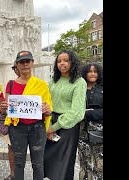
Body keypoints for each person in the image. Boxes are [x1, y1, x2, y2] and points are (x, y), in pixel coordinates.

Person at [0, 51, 52, 180]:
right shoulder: (11, 84)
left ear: (32, 63)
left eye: (27, 61)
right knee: (18, 162)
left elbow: (49, 110)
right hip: (17, 128)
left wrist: (47, 111)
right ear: (16, 65)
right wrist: (4, 107)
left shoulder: (42, 85)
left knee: (38, 163)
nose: (25, 64)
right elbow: (6, 109)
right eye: (21, 62)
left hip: (38, 128)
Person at [44, 50, 87, 180]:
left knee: (63, 164)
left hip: (68, 127)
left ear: (72, 62)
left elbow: (77, 112)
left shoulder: (79, 83)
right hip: (50, 121)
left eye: (66, 60)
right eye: (59, 61)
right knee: (49, 160)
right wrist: (49, 124)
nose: (62, 63)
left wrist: (54, 127)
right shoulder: (53, 81)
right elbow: (47, 102)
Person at [78, 63, 103, 180]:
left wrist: (89, 113)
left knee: (100, 164)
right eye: (89, 71)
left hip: (99, 132)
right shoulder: (79, 88)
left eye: (95, 71)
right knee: (85, 163)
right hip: (82, 132)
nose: (92, 74)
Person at [2, 63, 20, 180]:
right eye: (14, 68)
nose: (16, 70)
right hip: (13, 121)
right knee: (11, 147)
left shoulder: (36, 83)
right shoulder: (11, 84)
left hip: (31, 124)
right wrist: (3, 105)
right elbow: (7, 103)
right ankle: (13, 173)